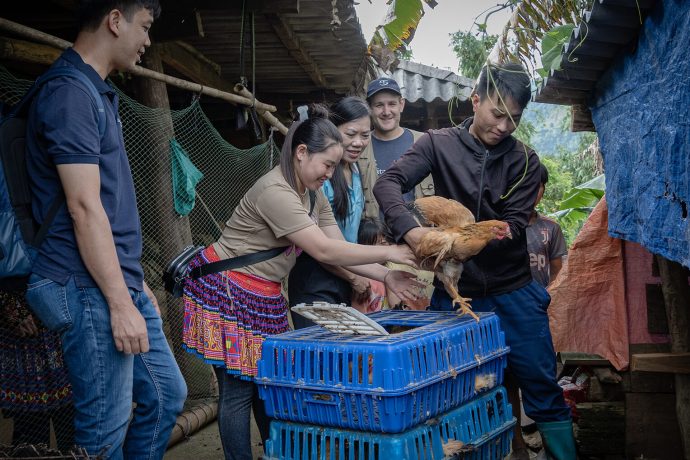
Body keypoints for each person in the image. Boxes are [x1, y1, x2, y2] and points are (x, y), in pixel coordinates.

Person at [181, 108, 420, 460]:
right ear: (302, 152)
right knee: (238, 391)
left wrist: (385, 274)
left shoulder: (312, 193)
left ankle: (274, 454)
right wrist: (396, 252)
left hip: (263, 294)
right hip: (229, 289)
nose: (330, 174)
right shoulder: (276, 191)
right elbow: (322, 248)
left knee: (266, 385)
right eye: (327, 164)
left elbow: (335, 249)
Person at [373, 62, 577, 460]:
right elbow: (388, 184)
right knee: (455, 392)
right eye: (497, 114)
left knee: (541, 388)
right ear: (476, 99)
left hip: (514, 294)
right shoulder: (437, 144)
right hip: (455, 294)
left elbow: (515, 226)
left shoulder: (525, 162)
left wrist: (467, 237)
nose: (504, 126)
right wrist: (412, 233)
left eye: (514, 119)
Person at [24, 1, 187, 458]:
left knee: (166, 395)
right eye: (146, 27)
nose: (148, 41)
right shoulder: (69, 92)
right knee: (104, 429)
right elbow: (83, 207)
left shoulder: (95, 91)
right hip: (84, 283)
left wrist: (132, 283)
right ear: (115, 21)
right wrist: (119, 300)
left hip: (114, 279)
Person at [288, 97, 375, 328]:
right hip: (317, 276)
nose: (358, 142)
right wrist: (354, 277)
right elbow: (320, 247)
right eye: (351, 134)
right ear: (333, 132)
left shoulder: (355, 170)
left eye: (365, 136)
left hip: (345, 275)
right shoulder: (320, 178)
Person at [0, 290, 74, 452]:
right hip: (21, 339)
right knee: (30, 426)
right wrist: (12, 307)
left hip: (58, 323)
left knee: (71, 417)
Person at [358, 76, 434, 218]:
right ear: (369, 108)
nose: (386, 112)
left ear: (402, 105)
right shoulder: (360, 146)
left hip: (421, 233)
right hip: (376, 237)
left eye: (392, 104)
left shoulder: (424, 142)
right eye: (379, 105)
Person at [527, 163, 567, 287]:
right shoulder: (500, 226)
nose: (532, 191)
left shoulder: (552, 228)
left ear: (543, 190)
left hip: (539, 302)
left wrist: (548, 296)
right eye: (527, 185)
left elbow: (557, 272)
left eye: (538, 186)